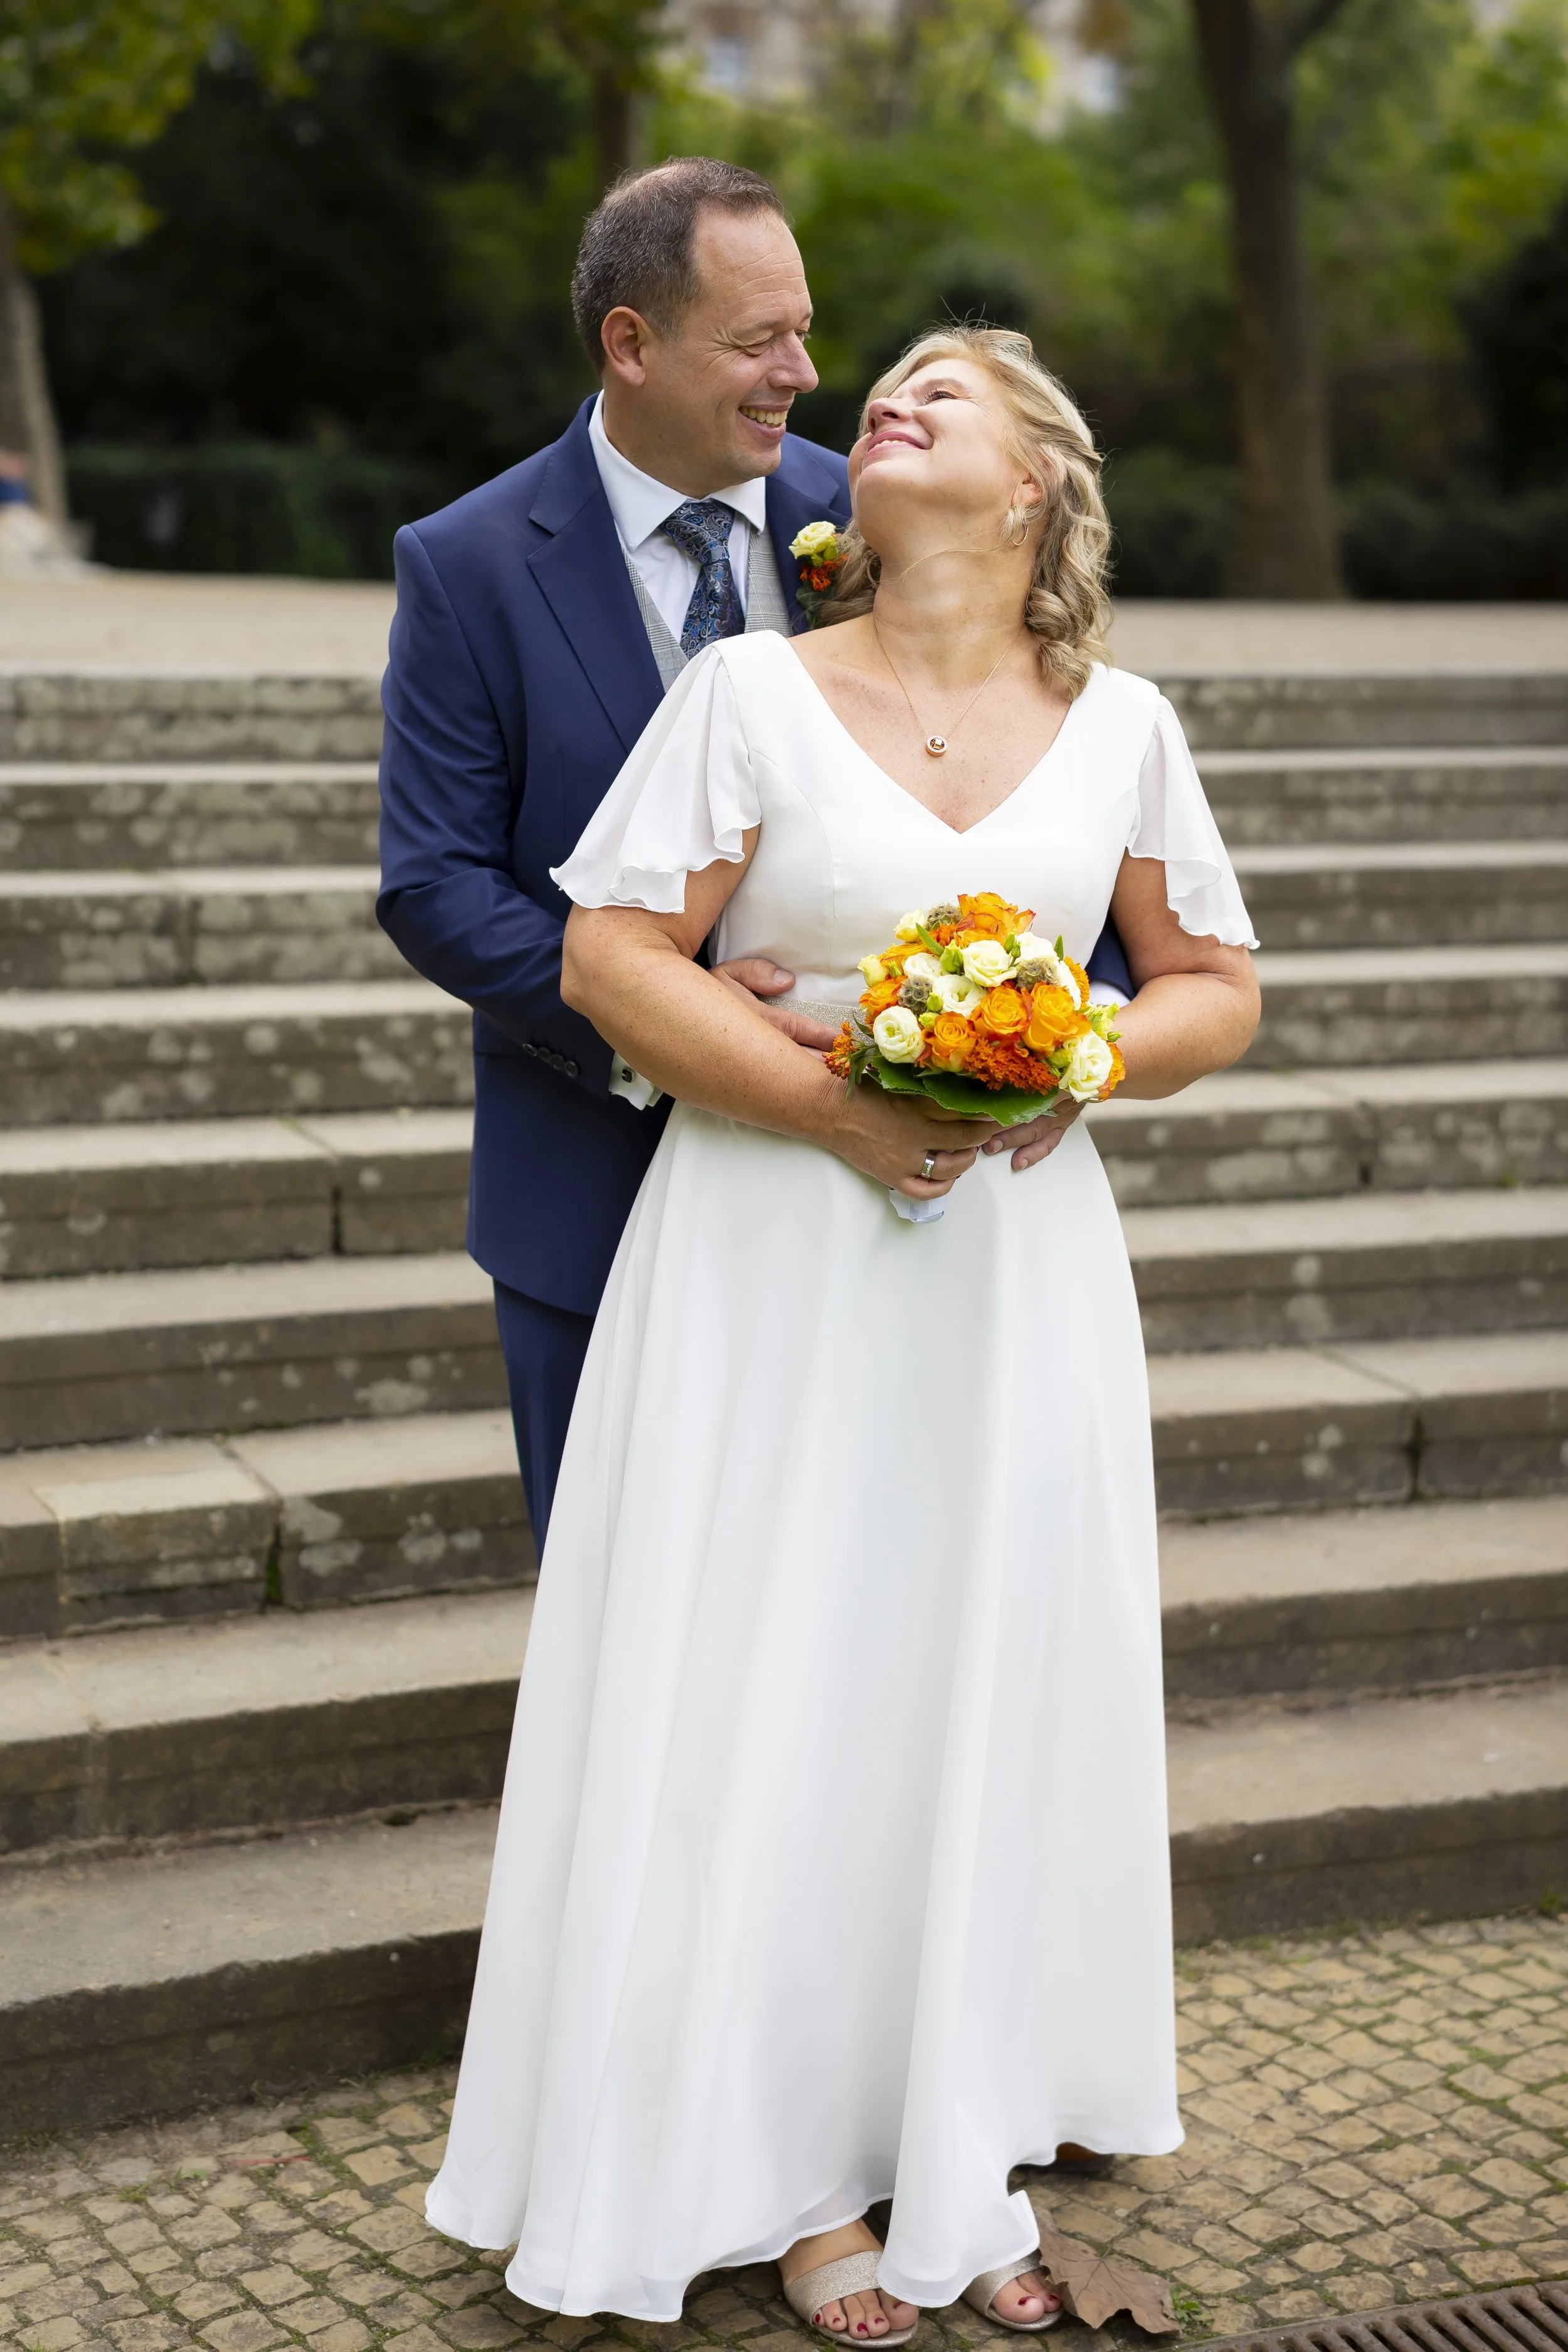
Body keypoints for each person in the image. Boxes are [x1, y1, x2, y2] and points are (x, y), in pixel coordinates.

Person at [425, 326, 1261, 2338]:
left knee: (957, 1682)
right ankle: (779, 2171)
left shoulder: (1122, 724)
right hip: (770, 1265)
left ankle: (942, 2134)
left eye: (939, 390)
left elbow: (1214, 983)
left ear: (1033, 485)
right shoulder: (744, 695)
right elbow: (610, 952)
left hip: (1007, 1284)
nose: (884, 397)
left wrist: (1081, 1054)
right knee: (773, 1673)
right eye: (876, 386)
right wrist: (831, 1097)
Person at [376, 158, 1132, 1551]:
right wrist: (664, 1019)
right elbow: (432, 882)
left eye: (802, 326)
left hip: (883, 1191)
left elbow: (1042, 777)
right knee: (631, 1592)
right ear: (630, 345)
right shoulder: (468, 561)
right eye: (756, 341)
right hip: (589, 1164)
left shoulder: (884, 507)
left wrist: (1058, 1036)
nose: (806, 371)